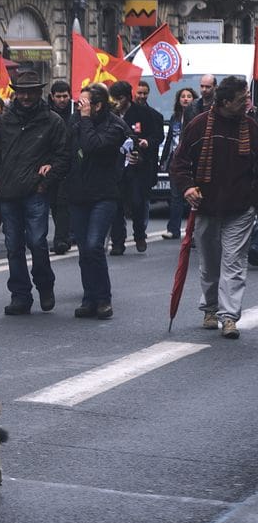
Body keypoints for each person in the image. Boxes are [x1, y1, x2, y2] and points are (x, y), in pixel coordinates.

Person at [171, 75, 258, 339]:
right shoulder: (198, 126)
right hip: (206, 206)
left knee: (234, 262)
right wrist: (187, 187)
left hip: (241, 208)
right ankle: (210, 307)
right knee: (210, 264)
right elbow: (179, 163)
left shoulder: (252, 128)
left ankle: (229, 317)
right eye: (242, 98)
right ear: (226, 101)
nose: (247, 102)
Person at [0, 69, 70, 315]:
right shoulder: (4, 121)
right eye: (22, 92)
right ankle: (20, 295)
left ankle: (44, 285)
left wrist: (46, 179)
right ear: (15, 93)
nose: (27, 96)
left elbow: (64, 156)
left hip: (35, 191)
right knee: (13, 246)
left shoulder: (52, 121)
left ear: (39, 92)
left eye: (31, 91)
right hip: (9, 193)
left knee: (37, 241)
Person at [66, 84, 129, 320]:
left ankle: (103, 298)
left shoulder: (114, 125)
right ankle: (89, 298)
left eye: (83, 103)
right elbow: (68, 151)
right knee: (84, 250)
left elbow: (94, 146)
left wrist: (84, 120)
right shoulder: (74, 122)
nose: (79, 107)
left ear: (98, 105)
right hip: (79, 193)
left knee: (94, 245)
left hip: (104, 194)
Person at [107, 80, 164, 255]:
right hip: (116, 167)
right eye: (114, 98)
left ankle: (140, 234)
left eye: (120, 98)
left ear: (128, 97)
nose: (117, 102)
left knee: (138, 203)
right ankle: (118, 241)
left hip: (138, 167)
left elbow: (157, 135)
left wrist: (147, 142)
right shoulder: (110, 114)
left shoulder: (144, 114)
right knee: (116, 205)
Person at [160, 87, 198, 240]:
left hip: (190, 162)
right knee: (175, 197)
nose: (186, 99)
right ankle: (173, 229)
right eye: (183, 96)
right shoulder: (175, 117)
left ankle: (194, 231)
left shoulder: (197, 116)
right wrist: (163, 160)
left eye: (189, 96)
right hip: (175, 162)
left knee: (192, 198)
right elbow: (169, 141)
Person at [48, 80, 75, 254]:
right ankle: (65, 234)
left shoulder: (75, 113)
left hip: (70, 163)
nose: (62, 100)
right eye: (59, 96)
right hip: (51, 163)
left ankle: (62, 239)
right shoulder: (46, 113)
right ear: (52, 97)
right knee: (54, 204)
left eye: (65, 96)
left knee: (63, 202)